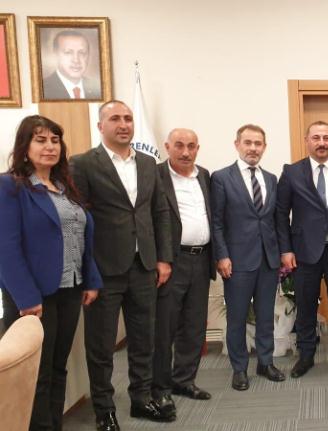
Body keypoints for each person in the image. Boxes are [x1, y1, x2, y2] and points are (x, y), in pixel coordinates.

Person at [71, 100, 173, 430]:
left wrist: (163, 258)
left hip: (144, 265)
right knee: (101, 345)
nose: (124, 124)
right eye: (115, 118)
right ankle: (104, 409)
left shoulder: (147, 162)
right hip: (103, 269)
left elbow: (159, 212)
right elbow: (78, 219)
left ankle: (141, 399)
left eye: (128, 118)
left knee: (144, 339)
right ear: (100, 126)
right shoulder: (83, 164)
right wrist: (86, 270)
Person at [0, 115, 103, 431]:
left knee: (59, 367)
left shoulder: (63, 187)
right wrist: (26, 298)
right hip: (33, 296)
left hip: (70, 289)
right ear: (25, 146)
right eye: (40, 140)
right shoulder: (10, 186)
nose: (49, 147)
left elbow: (81, 237)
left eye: (55, 140)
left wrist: (91, 280)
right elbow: (6, 248)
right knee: (37, 374)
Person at [276, 121, 328, 378]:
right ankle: (306, 355)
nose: (321, 142)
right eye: (316, 137)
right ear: (307, 140)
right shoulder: (292, 172)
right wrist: (285, 249)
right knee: (306, 305)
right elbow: (281, 214)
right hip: (303, 252)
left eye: (326, 137)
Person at [211, 124, 285, 391]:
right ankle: (240, 368)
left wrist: (281, 254)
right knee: (237, 318)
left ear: (264, 147)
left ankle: (265, 362)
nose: (253, 148)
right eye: (248, 143)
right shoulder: (221, 178)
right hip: (237, 261)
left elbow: (276, 221)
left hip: (268, 260)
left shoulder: (271, 179)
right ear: (237, 145)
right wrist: (222, 255)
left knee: (266, 316)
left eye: (258, 143)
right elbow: (216, 222)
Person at [151, 129, 215, 414]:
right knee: (165, 327)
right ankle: (161, 388)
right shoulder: (154, 175)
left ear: (198, 148)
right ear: (167, 147)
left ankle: (184, 380)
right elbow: (149, 220)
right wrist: (159, 259)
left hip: (201, 259)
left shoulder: (204, 175)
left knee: (194, 325)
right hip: (170, 262)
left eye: (191, 146)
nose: (186, 152)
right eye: (179, 145)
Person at [42, 30, 101, 100]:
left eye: (82, 53)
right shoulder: (43, 89)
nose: (76, 60)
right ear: (56, 55)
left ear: (88, 55)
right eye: (68, 52)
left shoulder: (98, 88)